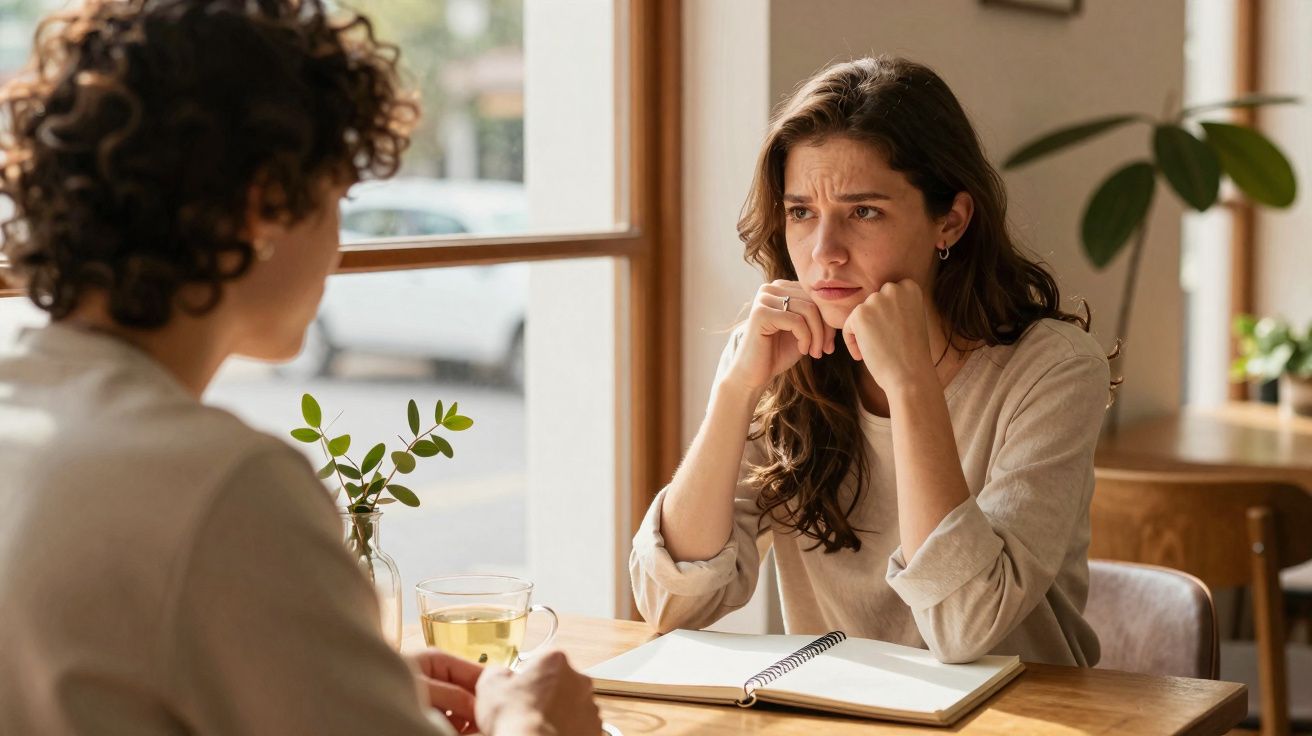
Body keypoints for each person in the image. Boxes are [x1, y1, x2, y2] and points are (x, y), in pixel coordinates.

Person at [0, 1, 600, 733]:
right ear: (264, 206)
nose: (340, 248)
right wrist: (532, 722)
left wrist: (349, 681)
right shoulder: (224, 487)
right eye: (338, 200)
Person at [631, 56, 1116, 667]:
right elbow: (671, 605)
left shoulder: (1052, 370)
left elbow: (964, 625)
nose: (824, 253)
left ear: (951, 220)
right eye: (801, 212)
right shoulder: (783, 358)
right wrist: (735, 390)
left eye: (864, 212)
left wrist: (911, 384)